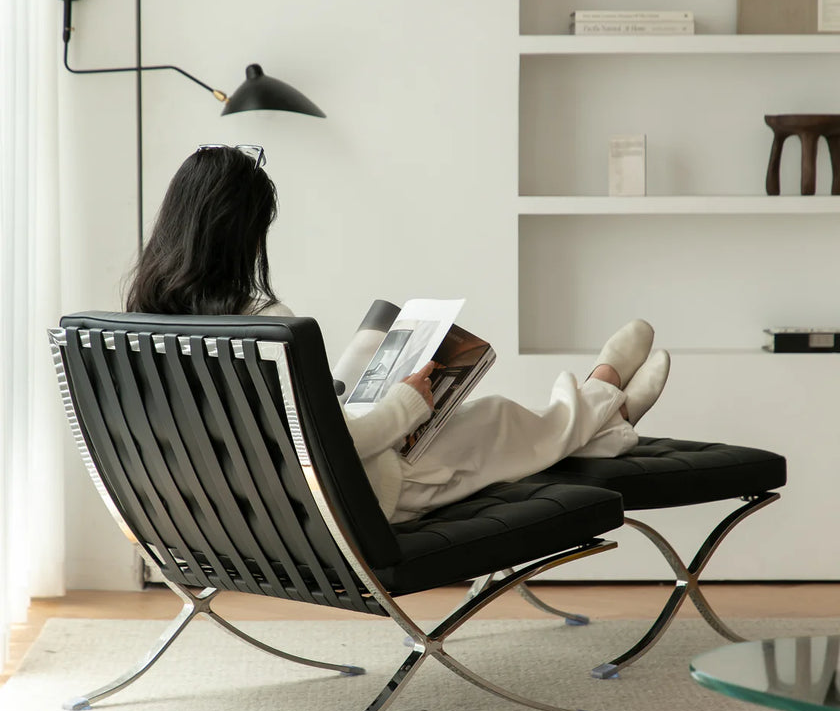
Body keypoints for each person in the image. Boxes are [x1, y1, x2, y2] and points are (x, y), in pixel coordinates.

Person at [125, 145, 671, 525]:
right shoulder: (262, 325)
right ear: (239, 237)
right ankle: (607, 401)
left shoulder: (141, 324)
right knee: (495, 416)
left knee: (361, 367)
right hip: (353, 497)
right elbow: (339, 444)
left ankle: (605, 424)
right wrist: (410, 404)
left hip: (247, 512)